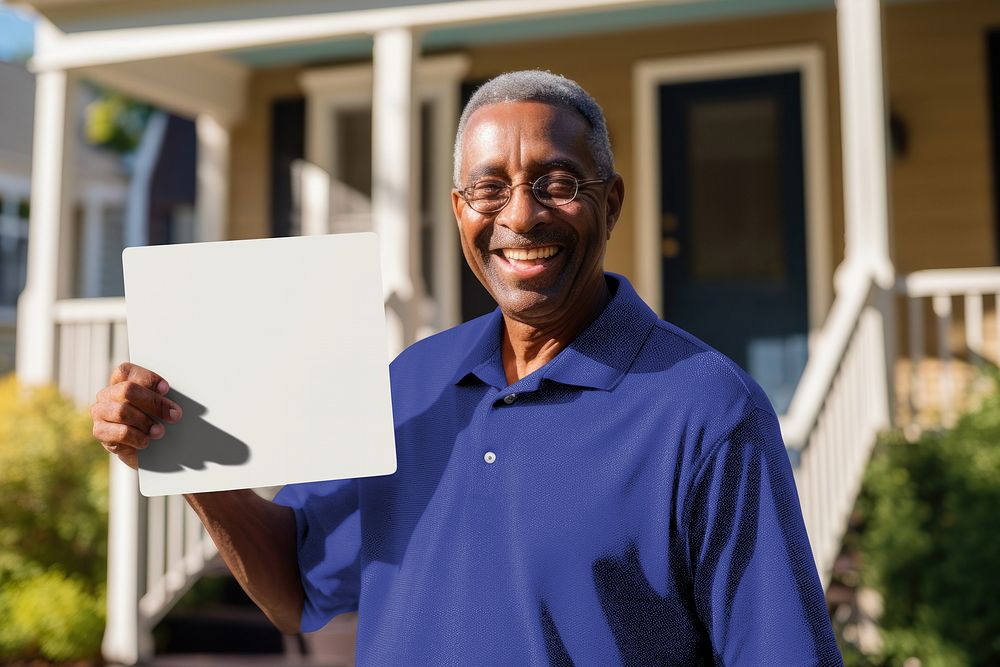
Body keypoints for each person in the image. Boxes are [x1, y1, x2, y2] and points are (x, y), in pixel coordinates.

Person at [92, 70, 843, 665]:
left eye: (557, 183)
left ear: (610, 204)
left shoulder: (707, 410)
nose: (520, 216)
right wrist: (184, 454)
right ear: (459, 211)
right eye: (490, 188)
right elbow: (297, 584)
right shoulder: (411, 382)